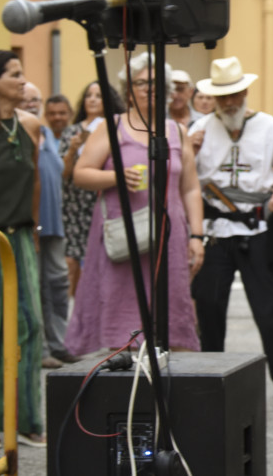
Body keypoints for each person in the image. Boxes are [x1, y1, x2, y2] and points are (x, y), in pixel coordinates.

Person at [65, 53, 202, 356]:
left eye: (156, 83)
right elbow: (80, 174)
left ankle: (169, 392)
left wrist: (197, 235)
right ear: (128, 91)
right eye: (141, 83)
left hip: (170, 235)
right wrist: (115, 176)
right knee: (122, 314)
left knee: (172, 311)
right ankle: (127, 390)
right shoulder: (112, 127)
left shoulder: (177, 131)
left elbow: (190, 188)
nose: (148, 88)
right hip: (123, 234)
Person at [189, 56, 273, 401]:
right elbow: (187, 184)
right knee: (209, 307)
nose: (229, 102)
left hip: (259, 229)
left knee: (270, 309)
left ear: (244, 92)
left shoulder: (269, 126)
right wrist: (187, 152)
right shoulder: (197, 132)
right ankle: (211, 379)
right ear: (213, 98)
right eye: (222, 96)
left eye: (235, 94)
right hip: (214, 231)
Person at [0, 51, 45, 446]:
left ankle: (27, 419)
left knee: (30, 326)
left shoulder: (29, 124)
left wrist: (32, 227)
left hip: (21, 236)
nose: (23, 81)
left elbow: (34, 183)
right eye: (14, 74)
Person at [19, 86, 79, 369]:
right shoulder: (17, 134)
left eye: (35, 99)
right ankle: (41, 348)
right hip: (30, 225)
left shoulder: (46, 136)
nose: (31, 104)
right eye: (26, 98)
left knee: (57, 286)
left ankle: (59, 344)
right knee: (35, 287)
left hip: (54, 226)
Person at [59, 81, 124, 297]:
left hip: (103, 201)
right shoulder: (72, 132)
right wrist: (73, 150)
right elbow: (63, 173)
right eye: (89, 95)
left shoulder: (115, 129)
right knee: (71, 259)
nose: (93, 99)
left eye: (98, 95)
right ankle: (75, 304)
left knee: (101, 259)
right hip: (74, 204)